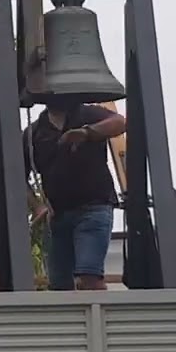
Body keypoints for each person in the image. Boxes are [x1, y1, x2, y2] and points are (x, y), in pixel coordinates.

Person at [23, 97, 127, 291]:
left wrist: (87, 132)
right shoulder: (33, 133)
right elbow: (19, 176)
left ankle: (99, 319)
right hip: (57, 217)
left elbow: (120, 122)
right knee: (59, 285)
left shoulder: (88, 114)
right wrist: (37, 206)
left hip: (93, 209)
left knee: (89, 278)